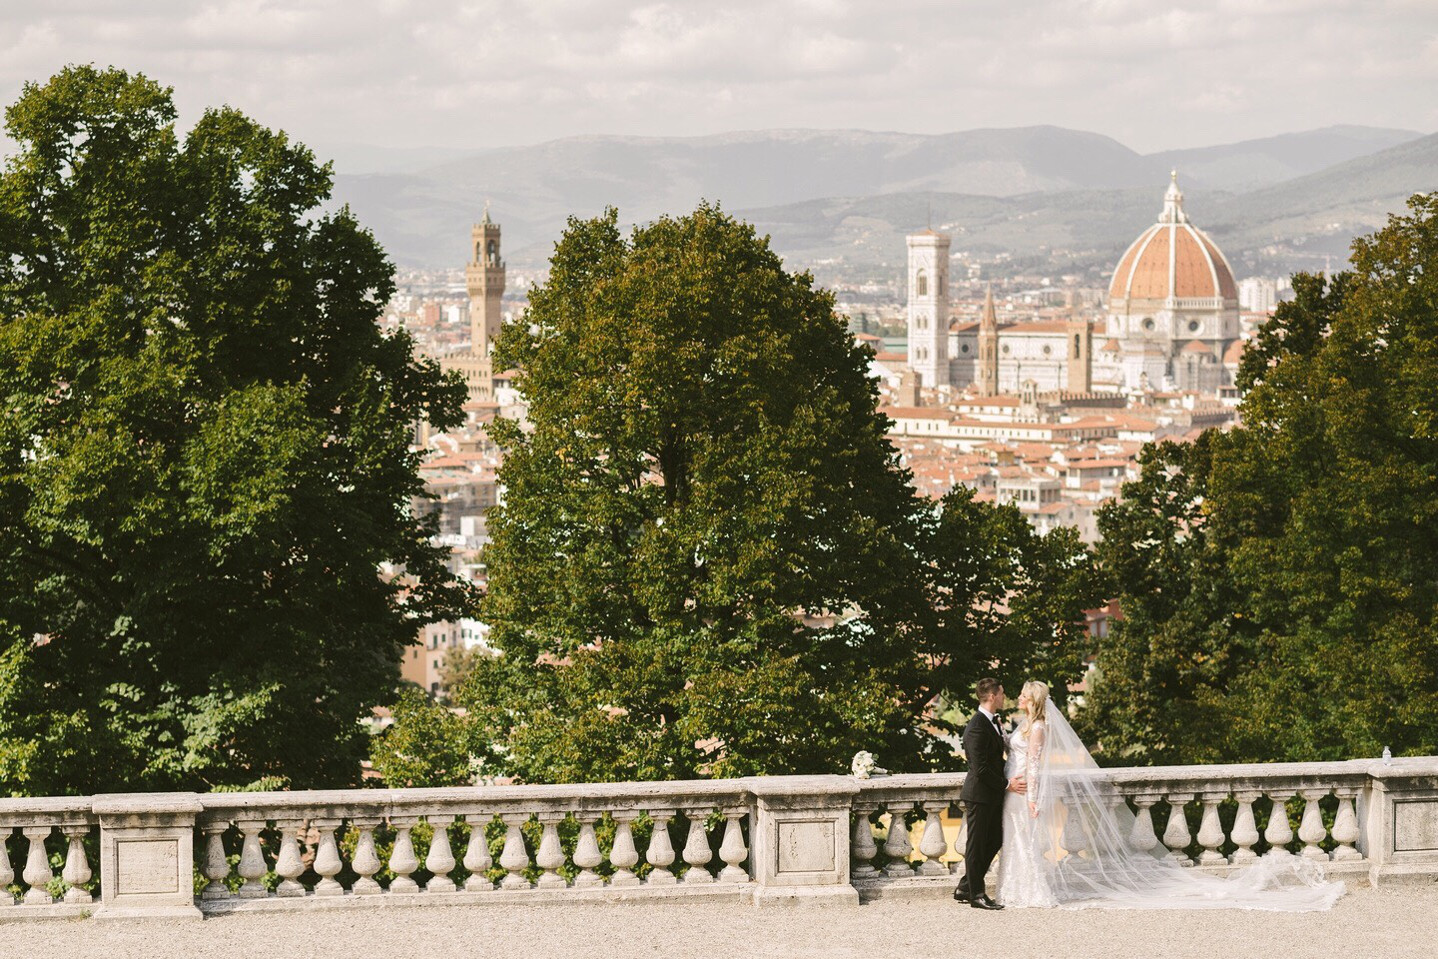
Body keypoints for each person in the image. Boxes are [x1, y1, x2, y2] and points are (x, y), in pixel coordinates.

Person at [992, 679, 1345, 911]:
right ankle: (1016, 888)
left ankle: (1029, 891)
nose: (1018, 697)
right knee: (1017, 841)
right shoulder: (1023, 724)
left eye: (1022, 693)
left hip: (1024, 792)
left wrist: (1034, 797)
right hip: (1012, 789)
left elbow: (1036, 766)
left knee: (1025, 839)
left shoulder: (1037, 727)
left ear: (1031, 700)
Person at [954, 677, 1026, 910]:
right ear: (993, 696)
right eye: (1002, 694)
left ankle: (966, 886)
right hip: (979, 794)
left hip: (991, 794)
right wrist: (1007, 784)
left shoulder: (993, 720)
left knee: (995, 839)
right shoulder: (976, 726)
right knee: (976, 845)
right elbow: (980, 768)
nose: (1005, 697)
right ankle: (976, 895)